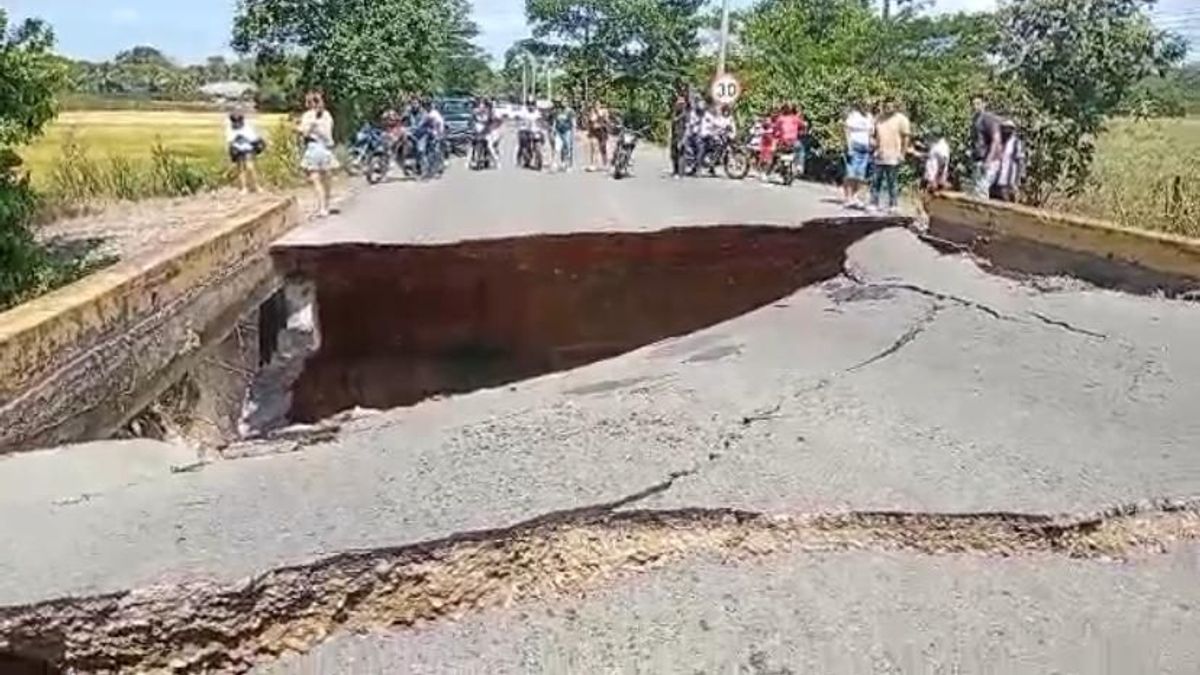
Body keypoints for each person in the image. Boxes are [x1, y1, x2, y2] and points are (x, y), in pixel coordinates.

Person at [296, 91, 336, 217]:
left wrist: (297, 128)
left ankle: (322, 207)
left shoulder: (308, 115)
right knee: (327, 180)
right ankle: (327, 206)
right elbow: (329, 134)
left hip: (313, 148)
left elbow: (304, 132)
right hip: (326, 149)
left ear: (310, 103)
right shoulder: (327, 115)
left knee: (316, 180)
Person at [870, 96, 911, 213]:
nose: (888, 107)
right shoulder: (878, 119)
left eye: (891, 105)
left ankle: (893, 204)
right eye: (886, 105)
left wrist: (902, 154)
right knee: (876, 181)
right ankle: (873, 203)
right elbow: (872, 135)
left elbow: (906, 138)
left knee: (892, 182)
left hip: (894, 155)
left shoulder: (902, 120)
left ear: (895, 106)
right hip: (880, 155)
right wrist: (874, 146)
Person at [970, 95, 1004, 199]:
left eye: (978, 104)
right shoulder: (975, 119)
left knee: (981, 190)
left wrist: (988, 160)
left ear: (984, 104)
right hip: (979, 160)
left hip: (989, 160)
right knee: (977, 191)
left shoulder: (988, 119)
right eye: (973, 104)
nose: (975, 107)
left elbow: (996, 139)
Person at [842, 101, 874, 208]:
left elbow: (870, 133)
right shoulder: (854, 116)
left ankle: (856, 197)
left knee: (860, 175)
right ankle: (848, 198)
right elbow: (847, 131)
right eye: (864, 105)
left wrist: (871, 146)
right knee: (851, 174)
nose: (866, 107)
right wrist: (849, 147)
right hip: (854, 146)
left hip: (865, 148)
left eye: (868, 105)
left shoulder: (869, 117)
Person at [226, 110, 263, 194]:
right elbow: (230, 140)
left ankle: (256, 186)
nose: (237, 123)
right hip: (238, 150)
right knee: (241, 169)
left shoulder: (247, 127)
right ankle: (244, 188)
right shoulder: (230, 129)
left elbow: (253, 139)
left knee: (250, 167)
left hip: (248, 149)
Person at [994, 119, 1026, 202]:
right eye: (1004, 128)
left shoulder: (1016, 143)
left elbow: (1020, 161)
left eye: (1008, 128)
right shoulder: (998, 141)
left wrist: (1019, 179)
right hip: (995, 181)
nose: (1006, 131)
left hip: (1008, 183)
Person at [551, 101, 576, 172]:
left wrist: (574, 131)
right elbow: (555, 121)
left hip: (567, 131)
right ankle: (555, 163)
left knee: (567, 147)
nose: (563, 103)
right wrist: (553, 129)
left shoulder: (570, 111)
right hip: (558, 131)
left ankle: (568, 165)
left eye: (565, 102)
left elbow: (573, 121)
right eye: (562, 102)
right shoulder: (557, 111)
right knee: (557, 148)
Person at [586, 102, 611, 171]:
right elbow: (589, 122)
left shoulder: (604, 111)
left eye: (598, 105)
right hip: (594, 133)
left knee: (603, 148)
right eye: (595, 105)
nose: (596, 106)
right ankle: (593, 165)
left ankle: (605, 164)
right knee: (594, 148)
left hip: (602, 132)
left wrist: (603, 117)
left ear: (600, 105)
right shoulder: (591, 112)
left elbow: (607, 121)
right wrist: (589, 131)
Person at [669, 95, 689, 178]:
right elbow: (672, 125)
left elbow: (687, 127)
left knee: (680, 154)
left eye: (682, 104)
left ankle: (680, 172)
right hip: (674, 136)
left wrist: (684, 138)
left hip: (682, 136)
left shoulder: (685, 115)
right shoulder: (675, 113)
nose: (680, 105)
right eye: (678, 103)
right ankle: (675, 171)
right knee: (673, 154)